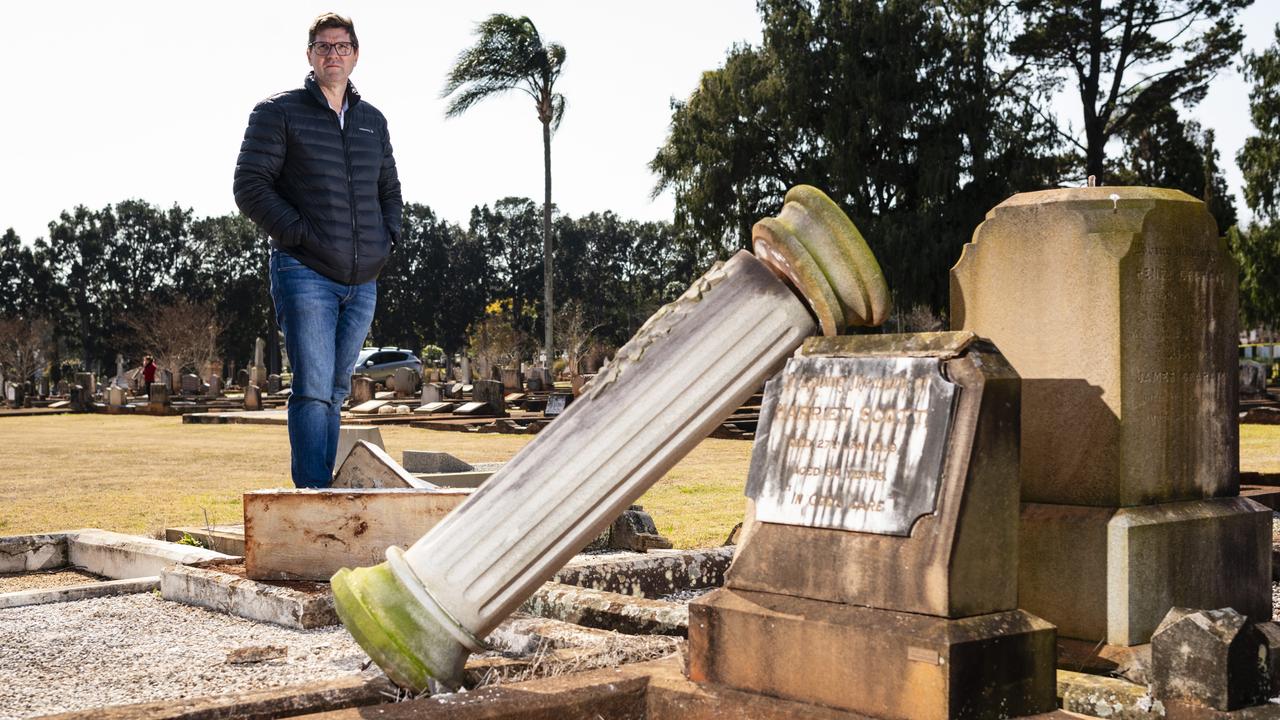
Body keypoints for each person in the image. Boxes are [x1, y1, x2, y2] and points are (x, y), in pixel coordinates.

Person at [233, 12, 403, 488]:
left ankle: (321, 492)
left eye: (342, 46)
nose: (334, 54)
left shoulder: (373, 121)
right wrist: (300, 234)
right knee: (311, 389)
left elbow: (389, 189)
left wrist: (388, 237)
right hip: (304, 270)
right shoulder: (278, 112)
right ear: (310, 54)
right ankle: (312, 496)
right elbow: (250, 185)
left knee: (333, 390)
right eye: (324, 47)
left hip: (362, 278)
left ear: (355, 54)